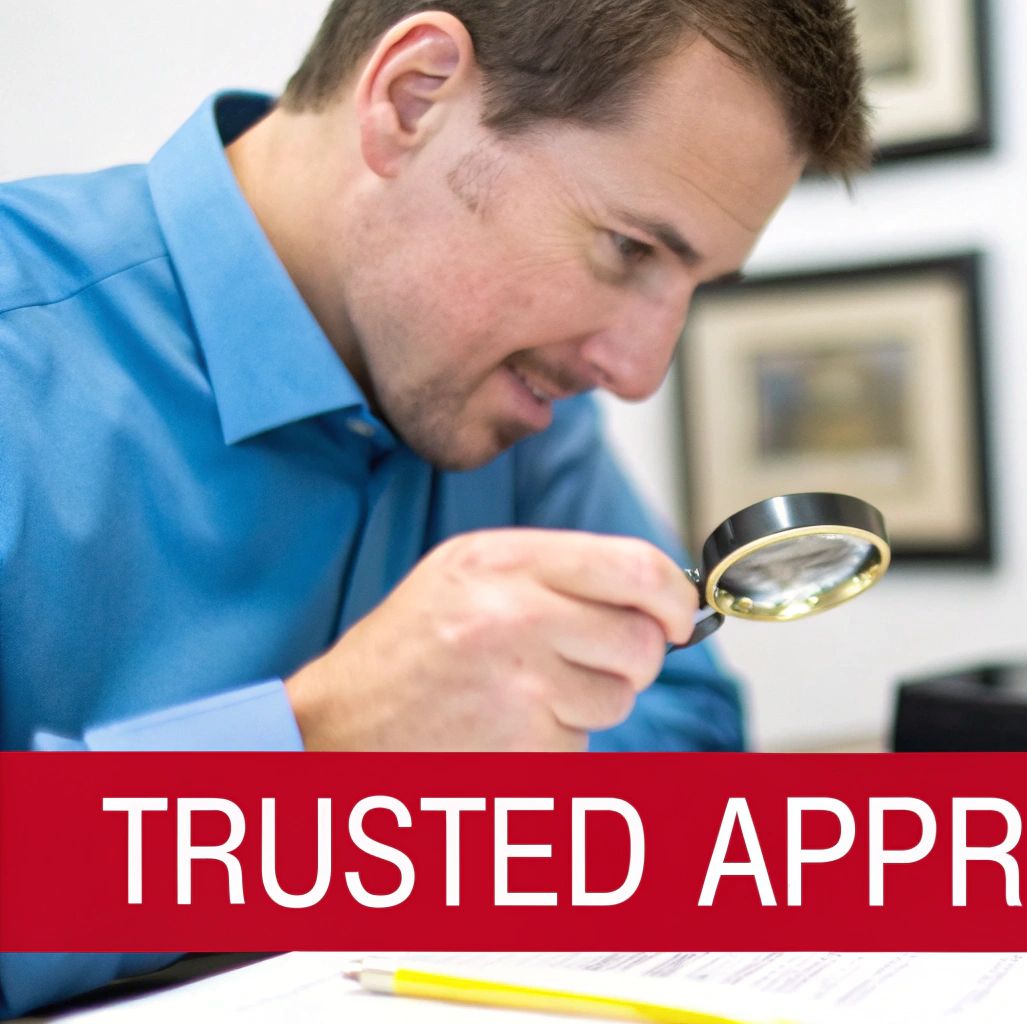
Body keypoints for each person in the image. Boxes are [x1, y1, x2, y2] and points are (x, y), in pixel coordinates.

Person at [0, 0, 869, 1014]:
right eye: (629, 248)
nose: (636, 371)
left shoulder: (518, 399)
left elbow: (686, 725)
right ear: (411, 98)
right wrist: (311, 754)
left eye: (692, 282)